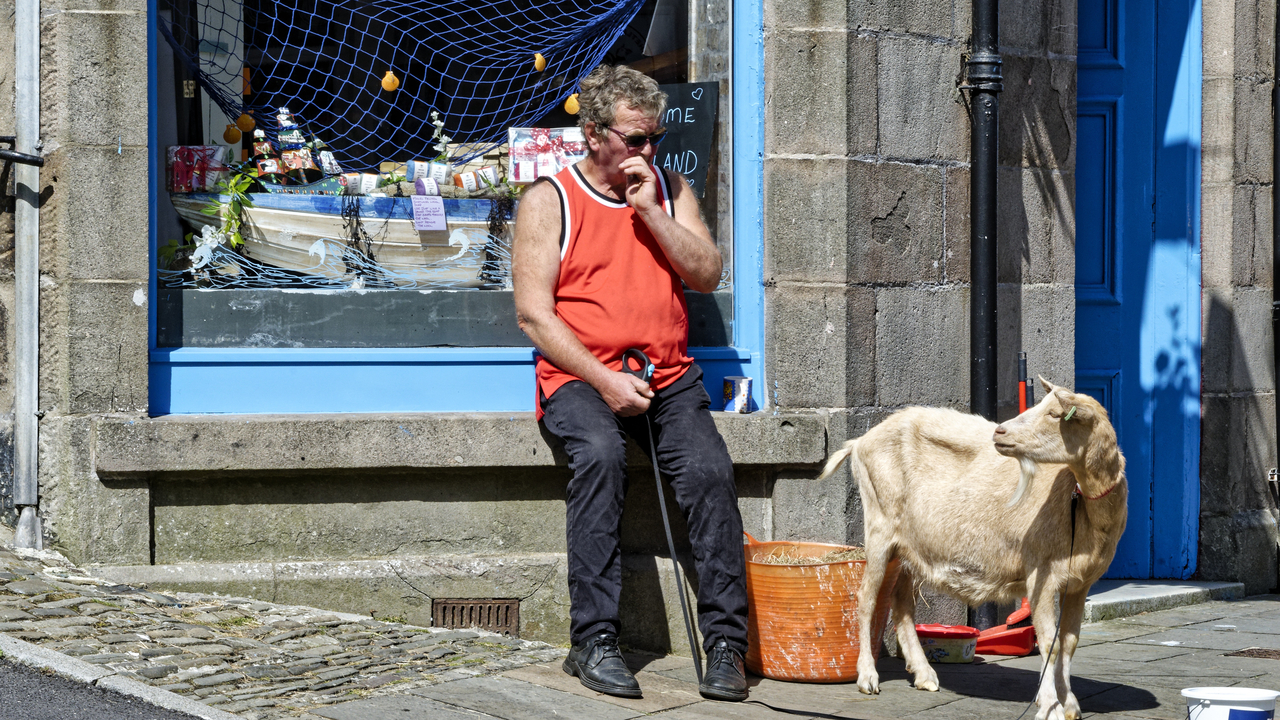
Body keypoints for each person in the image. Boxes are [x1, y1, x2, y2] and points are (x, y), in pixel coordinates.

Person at [512, 64, 749, 703]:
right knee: (601, 455)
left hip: (667, 375)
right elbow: (535, 313)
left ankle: (728, 642)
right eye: (635, 139)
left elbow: (706, 273)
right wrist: (604, 381)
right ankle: (593, 639)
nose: (649, 151)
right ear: (593, 134)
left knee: (708, 471)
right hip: (580, 375)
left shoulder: (669, 191)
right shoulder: (548, 199)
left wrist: (649, 211)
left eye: (655, 139)